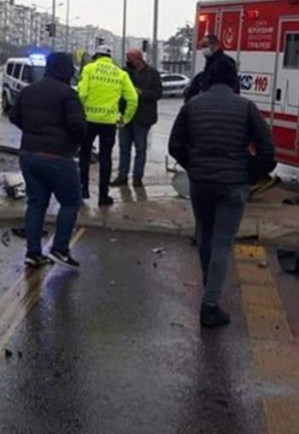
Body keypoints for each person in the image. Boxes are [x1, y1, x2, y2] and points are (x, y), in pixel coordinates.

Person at [168, 56, 275, 328]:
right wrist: (250, 174)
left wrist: (194, 166)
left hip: (201, 183)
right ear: (234, 79)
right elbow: (267, 149)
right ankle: (211, 305)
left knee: (204, 234)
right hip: (233, 184)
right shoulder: (246, 107)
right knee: (222, 242)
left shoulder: (192, 106)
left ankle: (210, 286)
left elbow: (174, 145)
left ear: (207, 78)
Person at [9, 52, 87, 268]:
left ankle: (33, 252)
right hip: (58, 156)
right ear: (67, 70)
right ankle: (60, 248)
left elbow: (14, 117)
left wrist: (32, 132)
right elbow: (78, 125)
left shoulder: (29, 90)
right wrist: (77, 142)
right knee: (70, 202)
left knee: (36, 203)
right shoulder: (68, 94)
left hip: (29, 154)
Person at [77, 45, 138, 206]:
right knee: (106, 158)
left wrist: (81, 110)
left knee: (84, 154)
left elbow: (82, 93)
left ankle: (83, 189)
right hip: (109, 122)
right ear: (110, 58)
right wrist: (125, 119)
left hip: (89, 120)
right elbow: (133, 99)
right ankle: (103, 196)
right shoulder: (121, 74)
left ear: (96, 56)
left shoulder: (89, 69)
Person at [113, 49, 163, 188]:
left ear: (139, 59)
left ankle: (137, 177)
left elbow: (158, 93)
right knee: (124, 147)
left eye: (130, 59)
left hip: (143, 117)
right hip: (125, 116)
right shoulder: (124, 72)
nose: (128, 61)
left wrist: (141, 93)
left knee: (140, 149)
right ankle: (122, 176)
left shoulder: (152, 73)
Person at [184, 34, 239, 102]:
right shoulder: (210, 63)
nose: (203, 49)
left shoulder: (224, 63)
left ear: (215, 45)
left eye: (205, 46)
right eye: (201, 46)